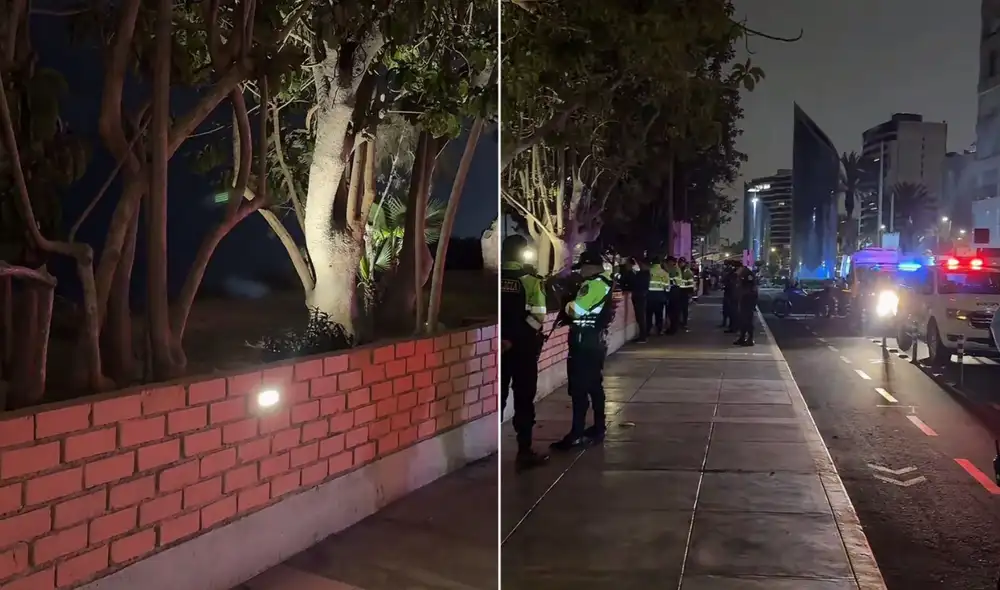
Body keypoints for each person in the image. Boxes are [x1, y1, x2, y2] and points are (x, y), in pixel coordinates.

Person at [551, 250, 615, 451]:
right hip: (593, 341)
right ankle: (597, 427)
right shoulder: (602, 282)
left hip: (584, 342)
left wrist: (567, 300)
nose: (581, 272)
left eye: (583, 268)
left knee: (580, 389)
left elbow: (577, 310)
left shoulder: (594, 284)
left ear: (591, 267)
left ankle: (577, 433)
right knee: (594, 385)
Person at [499, 235, 549, 471]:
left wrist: (503, 338)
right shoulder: (531, 281)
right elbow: (538, 317)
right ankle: (524, 450)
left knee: (497, 398)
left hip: (498, 349)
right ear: (522, 254)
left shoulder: (493, 279)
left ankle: (491, 448)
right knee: (523, 399)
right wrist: (515, 338)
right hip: (524, 350)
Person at [620, 257, 650, 342]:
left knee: (640, 316)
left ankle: (643, 336)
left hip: (639, 296)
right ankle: (643, 335)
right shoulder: (642, 273)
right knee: (640, 316)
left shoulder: (642, 274)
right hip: (640, 295)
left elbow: (632, 284)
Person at [734, 266, 759, 346]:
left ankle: (750, 339)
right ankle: (742, 337)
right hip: (744, 300)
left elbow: (751, 289)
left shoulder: (748, 276)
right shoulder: (743, 276)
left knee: (748, 320)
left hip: (748, 300)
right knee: (742, 320)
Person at [647, 256, 669, 335]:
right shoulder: (664, 273)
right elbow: (667, 287)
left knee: (648, 314)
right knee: (659, 315)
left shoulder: (648, 271)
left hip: (649, 297)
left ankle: (647, 329)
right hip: (660, 297)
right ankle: (659, 330)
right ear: (660, 263)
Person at [676, 258, 696, 330]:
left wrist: (690, 293)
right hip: (677, 292)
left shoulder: (688, 272)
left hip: (684, 292)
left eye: (682, 263)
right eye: (679, 262)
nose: (680, 264)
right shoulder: (676, 270)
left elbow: (691, 284)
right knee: (677, 308)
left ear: (684, 263)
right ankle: (678, 322)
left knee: (684, 309)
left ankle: (684, 322)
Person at [664, 256, 682, 334]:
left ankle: (673, 329)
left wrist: (665, 268)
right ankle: (672, 328)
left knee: (673, 311)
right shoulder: (676, 268)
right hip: (674, 291)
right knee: (672, 311)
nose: (667, 264)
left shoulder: (674, 268)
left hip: (674, 291)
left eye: (668, 262)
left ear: (671, 262)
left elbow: (670, 275)